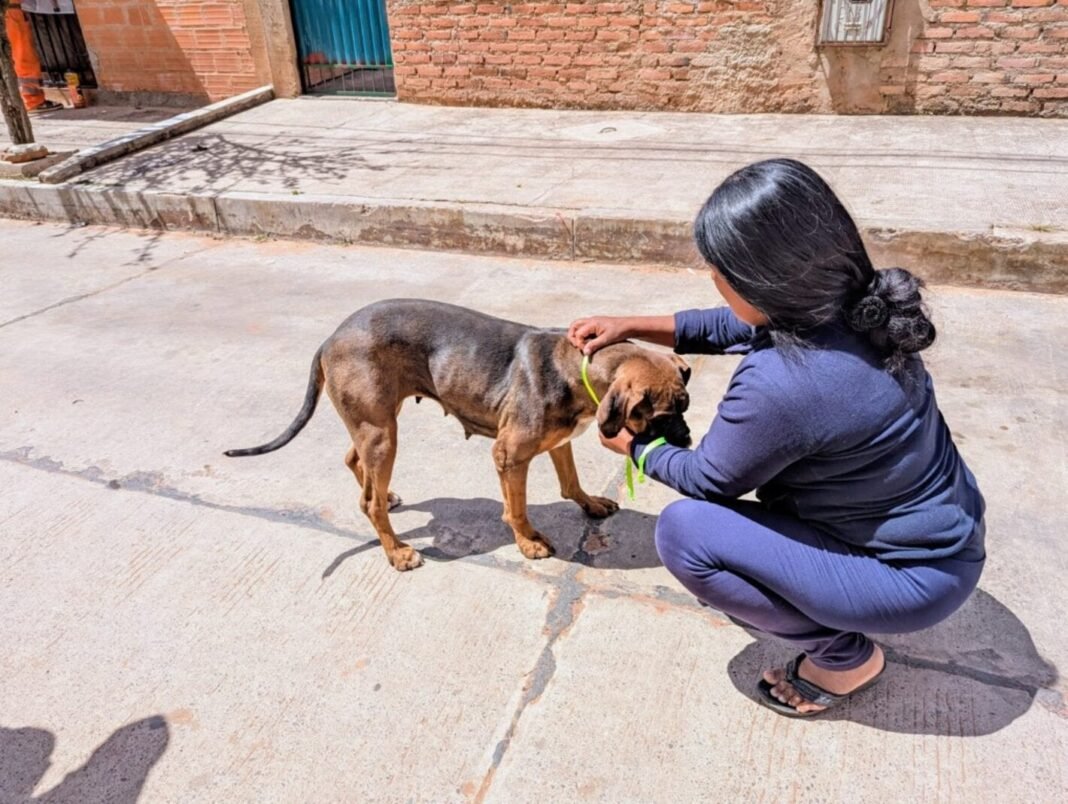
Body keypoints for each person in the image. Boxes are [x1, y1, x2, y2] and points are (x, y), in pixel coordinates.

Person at [568, 158, 986, 718]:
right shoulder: (855, 302)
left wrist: (640, 450)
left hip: (910, 578)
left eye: (716, 270)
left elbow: (709, 478)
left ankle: (843, 658)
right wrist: (631, 325)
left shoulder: (784, 383)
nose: (712, 278)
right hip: (948, 531)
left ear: (758, 282)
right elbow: (729, 325)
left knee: (686, 533)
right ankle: (838, 605)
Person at [5, 0, 63, 115]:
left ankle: (15, 101)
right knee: (24, 58)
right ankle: (33, 101)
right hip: (10, 13)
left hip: (9, 12)